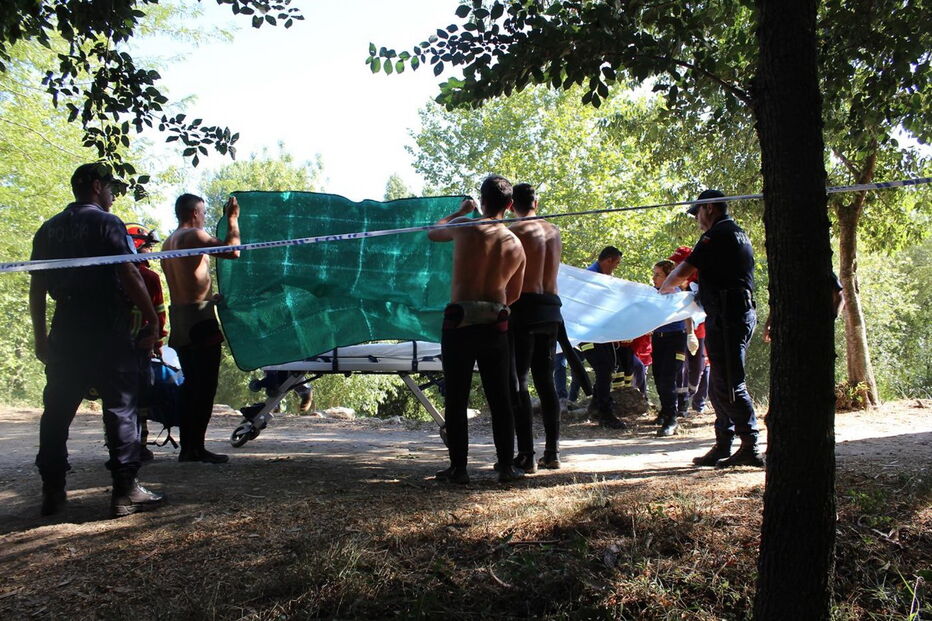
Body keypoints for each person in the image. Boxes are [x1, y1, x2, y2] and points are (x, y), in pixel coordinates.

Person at [30, 162, 166, 518]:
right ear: (94, 186)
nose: (112, 195)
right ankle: (125, 491)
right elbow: (129, 273)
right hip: (107, 324)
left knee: (57, 411)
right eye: (110, 188)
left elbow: (37, 287)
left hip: (66, 326)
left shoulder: (48, 230)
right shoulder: (108, 223)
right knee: (120, 407)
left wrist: (41, 336)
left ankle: (53, 490)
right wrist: (151, 317)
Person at [428, 175, 526, 484]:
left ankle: (459, 469)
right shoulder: (516, 245)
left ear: (481, 201)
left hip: (459, 319)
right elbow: (515, 296)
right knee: (500, 397)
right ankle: (506, 467)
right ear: (510, 206)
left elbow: (433, 232)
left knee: (456, 395)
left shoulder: (464, 227)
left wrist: (459, 211)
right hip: (494, 320)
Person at [660, 189, 763, 468]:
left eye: (698, 212)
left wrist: (662, 291)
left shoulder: (716, 235)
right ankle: (723, 443)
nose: (697, 219)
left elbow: (682, 270)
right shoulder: (735, 232)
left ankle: (750, 446)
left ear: (711, 208)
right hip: (731, 313)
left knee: (729, 383)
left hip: (729, 317)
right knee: (720, 381)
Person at [161, 193, 240, 464]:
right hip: (199, 321)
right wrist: (232, 219)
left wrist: (210, 298)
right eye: (204, 213)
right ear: (195, 213)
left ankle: (188, 448)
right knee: (204, 386)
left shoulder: (168, 241)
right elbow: (233, 250)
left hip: (181, 317)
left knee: (191, 385)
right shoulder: (194, 235)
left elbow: (189, 283)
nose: (205, 218)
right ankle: (196, 448)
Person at [508, 183, 563, 471]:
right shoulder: (554, 232)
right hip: (552, 307)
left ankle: (526, 455)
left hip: (525, 308)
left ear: (510, 206)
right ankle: (552, 452)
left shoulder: (514, 231)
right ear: (536, 203)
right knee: (546, 381)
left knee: (519, 380)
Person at [126, 224, 168, 462]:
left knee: (116, 398)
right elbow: (159, 312)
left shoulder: (107, 272)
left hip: (112, 345)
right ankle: (139, 446)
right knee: (141, 395)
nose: (152, 251)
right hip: (141, 344)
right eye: (149, 247)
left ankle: (118, 444)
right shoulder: (149, 277)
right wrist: (158, 341)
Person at [578, 246, 627, 429]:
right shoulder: (591, 278)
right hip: (588, 333)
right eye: (616, 264)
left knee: (607, 367)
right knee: (604, 368)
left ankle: (596, 407)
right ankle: (605, 414)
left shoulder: (603, 278)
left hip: (601, 333)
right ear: (608, 261)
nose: (615, 269)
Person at [669, 246, 709, 414]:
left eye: (678, 262)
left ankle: (697, 401)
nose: (676, 266)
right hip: (680, 331)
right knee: (681, 367)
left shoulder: (700, 278)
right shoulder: (675, 280)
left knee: (699, 368)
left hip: (700, 331)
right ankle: (682, 403)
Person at [651, 260, 688, 437]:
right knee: (658, 376)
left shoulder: (678, 295)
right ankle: (665, 410)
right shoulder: (654, 294)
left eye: (658, 274)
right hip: (659, 339)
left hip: (676, 339)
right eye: (654, 274)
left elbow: (688, 314)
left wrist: (692, 335)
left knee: (668, 378)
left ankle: (671, 419)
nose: (654, 278)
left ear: (668, 277)